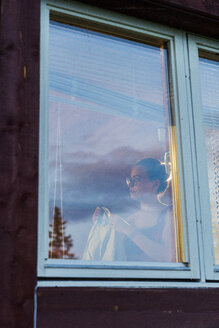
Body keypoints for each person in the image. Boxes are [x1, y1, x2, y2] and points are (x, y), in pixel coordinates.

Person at [92, 158, 176, 262]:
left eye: (136, 179)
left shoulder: (170, 214)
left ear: (155, 184)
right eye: (130, 180)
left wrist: (128, 230)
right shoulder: (131, 220)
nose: (131, 185)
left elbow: (168, 256)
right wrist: (103, 226)